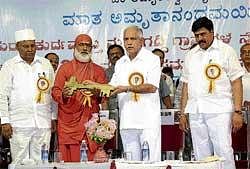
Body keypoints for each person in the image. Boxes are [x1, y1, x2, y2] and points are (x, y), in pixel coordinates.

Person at [179, 17, 244, 169]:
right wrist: (183, 113)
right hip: (195, 111)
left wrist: (238, 111)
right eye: (196, 35)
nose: (199, 39)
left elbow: (236, 82)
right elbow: (185, 86)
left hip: (219, 110)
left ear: (212, 32)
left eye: (203, 34)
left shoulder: (226, 51)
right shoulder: (191, 55)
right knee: (201, 154)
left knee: (223, 151)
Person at [0, 28, 56, 164]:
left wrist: (54, 116)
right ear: (17, 47)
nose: (30, 49)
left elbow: (52, 92)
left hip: (43, 122)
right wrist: (4, 121)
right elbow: (2, 95)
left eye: (32, 45)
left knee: (42, 163)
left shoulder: (45, 64)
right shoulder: (9, 66)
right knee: (20, 162)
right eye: (25, 46)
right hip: (19, 123)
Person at [51, 34, 108, 162]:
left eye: (87, 45)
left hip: (91, 124)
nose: (84, 48)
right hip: (68, 122)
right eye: (81, 44)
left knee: (90, 161)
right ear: (75, 47)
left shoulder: (99, 70)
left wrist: (95, 91)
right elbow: (55, 91)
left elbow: (104, 96)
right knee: (69, 162)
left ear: (91, 48)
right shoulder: (65, 68)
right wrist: (64, 95)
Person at [110, 25, 161, 161]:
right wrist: (93, 87)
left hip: (147, 122)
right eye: (126, 39)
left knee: (150, 163)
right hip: (127, 121)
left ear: (141, 41)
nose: (129, 42)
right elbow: (112, 88)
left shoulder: (152, 59)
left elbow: (152, 87)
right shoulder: (120, 63)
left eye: (133, 38)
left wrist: (127, 88)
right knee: (130, 164)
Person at [105, 44, 124, 158]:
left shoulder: (130, 71)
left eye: (118, 53)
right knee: (111, 141)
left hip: (127, 111)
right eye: (112, 54)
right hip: (111, 113)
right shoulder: (104, 73)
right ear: (108, 58)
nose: (115, 56)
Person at [44, 52, 59, 162]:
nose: (53, 64)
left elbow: (55, 100)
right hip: (41, 117)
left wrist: (54, 117)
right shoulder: (40, 77)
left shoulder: (60, 77)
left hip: (56, 117)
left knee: (53, 147)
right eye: (51, 61)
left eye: (56, 62)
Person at [240, 43, 250, 108]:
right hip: (242, 111)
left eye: (249, 52)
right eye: (244, 52)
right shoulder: (237, 73)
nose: (247, 54)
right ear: (241, 56)